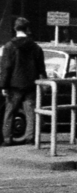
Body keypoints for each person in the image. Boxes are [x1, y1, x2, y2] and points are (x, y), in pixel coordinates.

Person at [1, 17, 48, 146]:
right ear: (27, 29)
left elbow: (6, 67)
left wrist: (3, 86)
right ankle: (30, 138)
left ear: (15, 28)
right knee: (31, 112)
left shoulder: (9, 47)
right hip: (31, 85)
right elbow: (41, 68)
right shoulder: (36, 48)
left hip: (13, 85)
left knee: (10, 112)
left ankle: (7, 139)